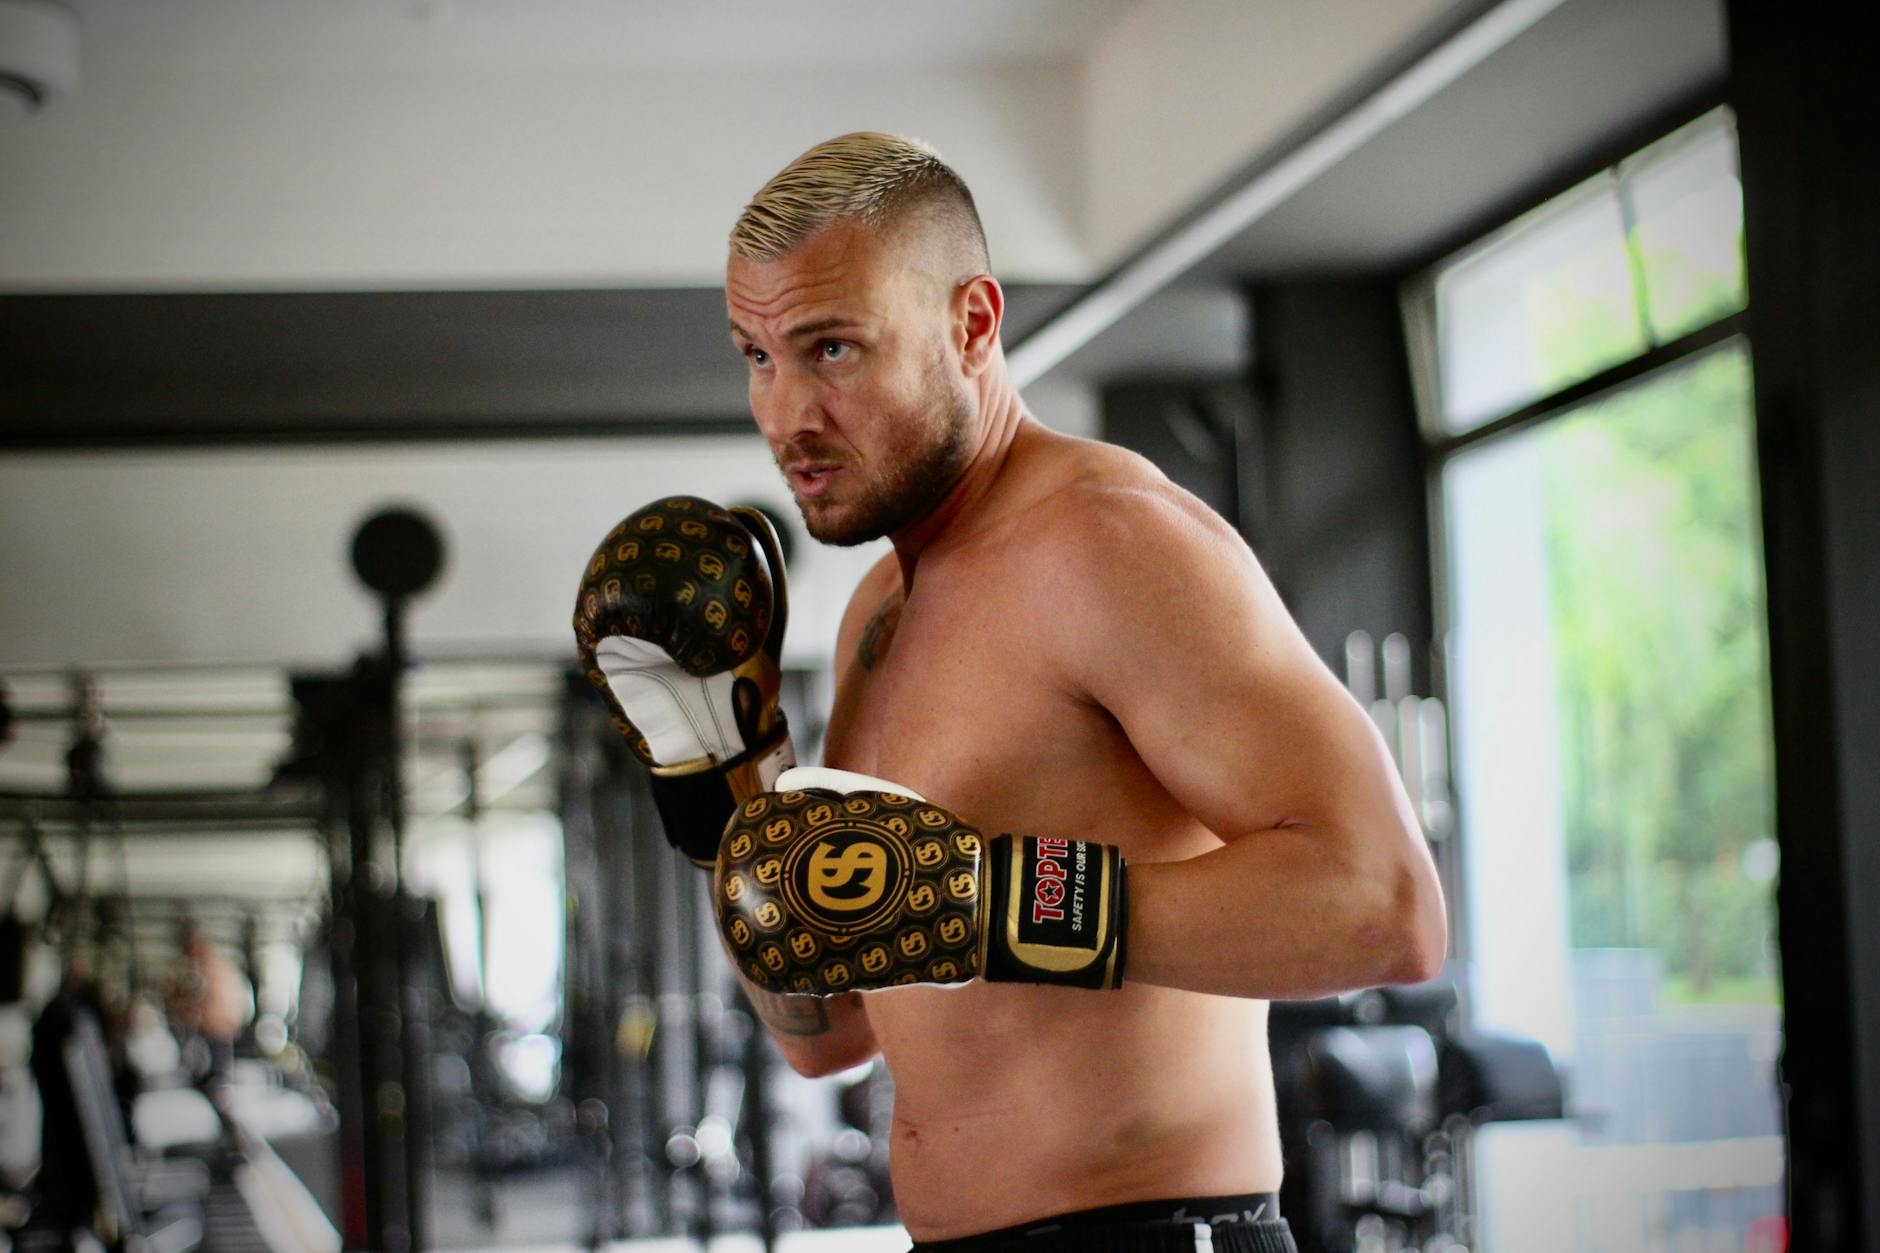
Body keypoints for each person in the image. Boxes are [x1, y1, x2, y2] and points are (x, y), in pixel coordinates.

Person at [580, 132, 1446, 1253]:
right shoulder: (876, 613)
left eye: (830, 348)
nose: (785, 411)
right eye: (755, 354)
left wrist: (985, 897)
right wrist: (715, 779)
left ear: (971, 323)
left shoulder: (1105, 543)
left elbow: (1384, 905)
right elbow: (827, 1031)